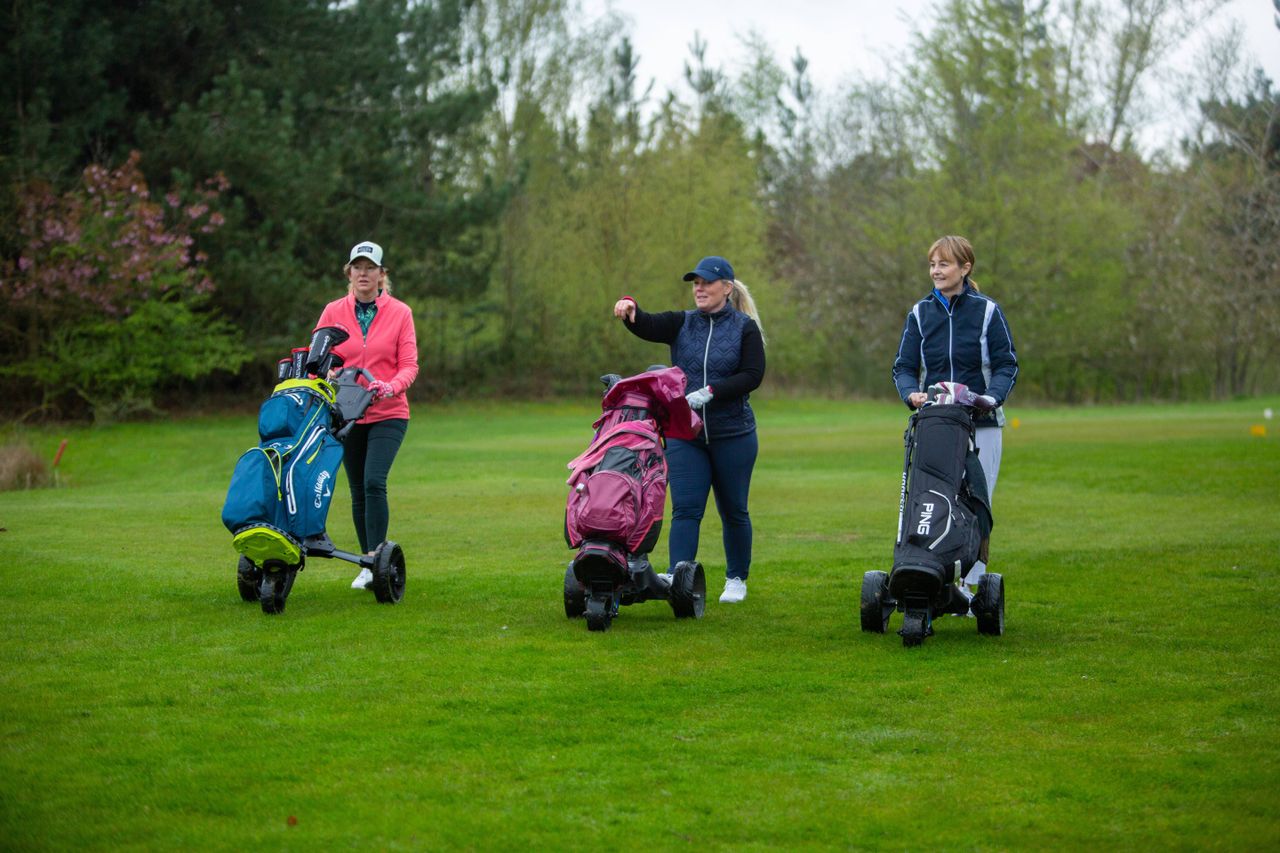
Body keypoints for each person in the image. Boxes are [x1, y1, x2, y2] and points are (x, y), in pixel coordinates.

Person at [612, 255, 766, 603]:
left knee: (734, 510)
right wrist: (630, 306)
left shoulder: (744, 328)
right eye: (695, 283)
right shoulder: (682, 323)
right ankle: (679, 576)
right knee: (685, 508)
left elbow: (753, 375)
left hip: (734, 435)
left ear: (726, 288)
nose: (699, 288)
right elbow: (646, 323)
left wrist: (711, 392)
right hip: (687, 436)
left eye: (707, 282)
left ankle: (736, 579)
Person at [892, 234, 1017, 596]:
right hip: (936, 423)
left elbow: (1008, 364)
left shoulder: (987, 311)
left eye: (944, 264)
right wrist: (910, 393)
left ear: (965, 267)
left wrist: (992, 397)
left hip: (982, 425)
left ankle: (972, 581)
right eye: (932, 264)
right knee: (932, 495)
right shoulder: (920, 313)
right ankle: (928, 566)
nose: (936, 270)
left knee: (977, 499)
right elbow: (903, 366)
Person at [313, 240, 419, 589]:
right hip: (346, 413)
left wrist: (390, 386)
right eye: (357, 267)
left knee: (374, 481)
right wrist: (325, 373)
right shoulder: (332, 311)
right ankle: (366, 562)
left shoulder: (400, 312)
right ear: (350, 273)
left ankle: (377, 560)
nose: (363, 273)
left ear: (381, 274)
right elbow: (318, 360)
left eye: (370, 268)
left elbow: (408, 366)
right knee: (357, 488)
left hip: (388, 411)